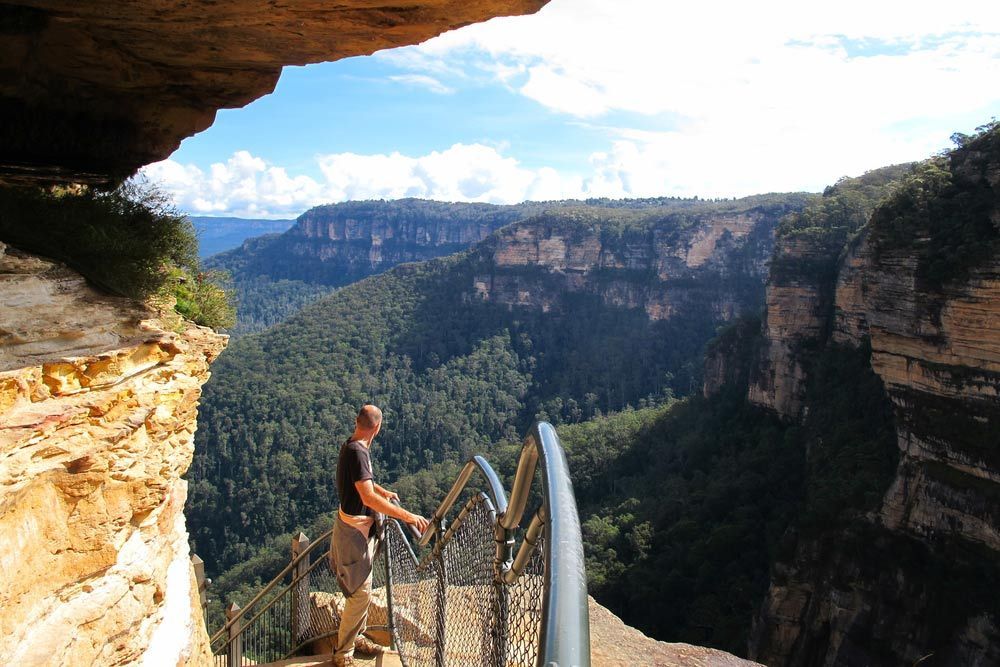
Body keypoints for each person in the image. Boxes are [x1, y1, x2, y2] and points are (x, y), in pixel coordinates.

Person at [330, 404, 429, 667]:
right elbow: (366, 495)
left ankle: (357, 637)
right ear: (378, 427)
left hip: (355, 528)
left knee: (363, 589)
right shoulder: (358, 452)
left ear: (357, 422)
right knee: (359, 594)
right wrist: (408, 516)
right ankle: (343, 654)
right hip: (354, 533)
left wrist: (382, 492)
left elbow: (364, 483)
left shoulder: (351, 445)